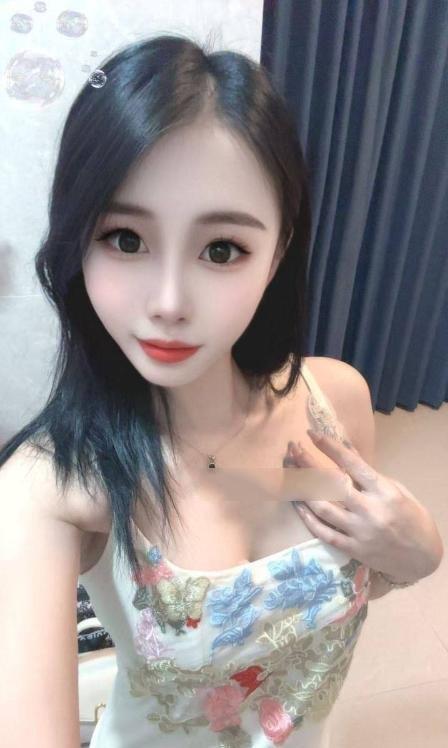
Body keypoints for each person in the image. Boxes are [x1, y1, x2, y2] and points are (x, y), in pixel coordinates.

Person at [1, 33, 440, 748]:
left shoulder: (335, 403)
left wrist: (420, 550)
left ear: (278, 252)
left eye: (221, 249)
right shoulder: (51, 487)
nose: (169, 303)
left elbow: (354, 575)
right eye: (125, 239)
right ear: (78, 242)